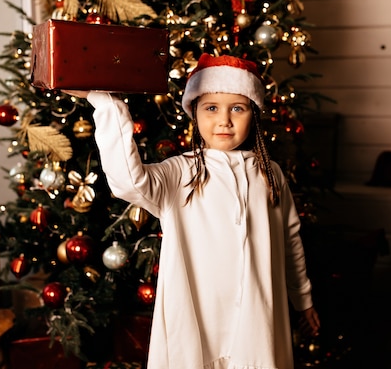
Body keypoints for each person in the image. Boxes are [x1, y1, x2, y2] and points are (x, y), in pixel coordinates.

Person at [63, 53, 320, 369]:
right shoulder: (179, 174)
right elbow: (128, 182)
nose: (223, 120)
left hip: (257, 319)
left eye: (236, 108)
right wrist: (106, 104)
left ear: (253, 114)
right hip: (199, 320)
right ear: (195, 113)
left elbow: (290, 241)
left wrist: (302, 300)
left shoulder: (270, 174)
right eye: (211, 108)